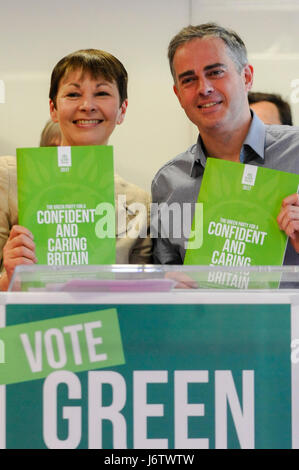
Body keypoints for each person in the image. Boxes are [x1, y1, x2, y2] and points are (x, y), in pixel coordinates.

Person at [0, 49, 152, 290]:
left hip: (102, 326)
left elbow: (141, 298)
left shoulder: (138, 202)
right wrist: (10, 279)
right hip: (29, 326)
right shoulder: (9, 177)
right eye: (73, 94)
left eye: (101, 93)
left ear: (122, 110)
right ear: (53, 108)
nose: (87, 105)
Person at [152, 23, 299, 265]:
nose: (204, 88)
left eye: (216, 72)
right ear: (178, 94)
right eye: (189, 79)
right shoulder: (168, 183)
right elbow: (166, 282)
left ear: (247, 77)